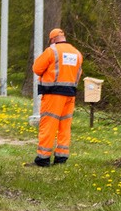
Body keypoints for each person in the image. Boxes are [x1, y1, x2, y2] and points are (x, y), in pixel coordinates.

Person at [30, 28, 83, 167]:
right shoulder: (77, 53)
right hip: (70, 95)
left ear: (52, 39)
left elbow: (37, 68)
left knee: (48, 125)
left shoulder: (52, 51)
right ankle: (61, 158)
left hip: (53, 95)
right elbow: (79, 73)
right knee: (65, 126)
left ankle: (43, 159)